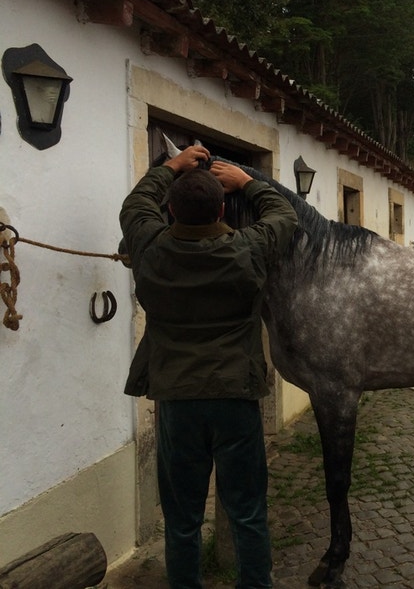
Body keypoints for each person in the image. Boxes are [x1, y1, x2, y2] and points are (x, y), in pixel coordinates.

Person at [119, 144, 298, 589]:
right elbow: (285, 215)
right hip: (235, 397)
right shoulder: (249, 248)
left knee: (182, 519)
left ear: (170, 211)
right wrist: (248, 182)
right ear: (222, 209)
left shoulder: (149, 246)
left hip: (177, 401)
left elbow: (136, 203)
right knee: (248, 512)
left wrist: (171, 166)